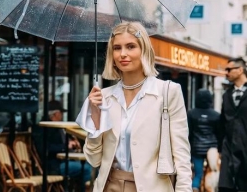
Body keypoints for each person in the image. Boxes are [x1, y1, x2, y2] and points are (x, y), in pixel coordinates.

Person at [76, 21, 192, 192]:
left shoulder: (167, 92)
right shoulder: (103, 97)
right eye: (117, 48)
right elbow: (94, 160)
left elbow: (181, 154)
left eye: (131, 47)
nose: (123, 54)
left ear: (144, 50)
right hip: (110, 186)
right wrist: (95, 115)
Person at [32, 100, 92, 191]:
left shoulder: (58, 127)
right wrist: (65, 146)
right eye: (61, 113)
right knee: (87, 169)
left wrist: (72, 143)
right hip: (54, 166)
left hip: (63, 162)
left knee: (92, 165)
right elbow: (45, 149)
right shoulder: (44, 128)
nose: (62, 115)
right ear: (55, 114)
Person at [218, 57, 247, 192]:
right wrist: (219, 148)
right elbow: (222, 121)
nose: (227, 72)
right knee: (226, 186)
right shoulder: (226, 95)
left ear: (240, 70)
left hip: (245, 146)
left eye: (229, 69)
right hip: (229, 147)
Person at [187, 88, 221, 192]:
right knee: (212, 171)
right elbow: (219, 133)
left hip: (197, 148)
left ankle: (195, 187)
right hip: (212, 149)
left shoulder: (191, 113)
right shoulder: (216, 115)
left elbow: (189, 132)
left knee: (198, 173)